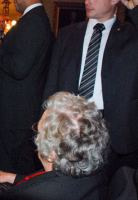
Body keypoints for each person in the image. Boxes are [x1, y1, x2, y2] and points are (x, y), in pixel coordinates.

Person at [42, 0, 138, 180]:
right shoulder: (67, 34)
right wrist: (46, 121)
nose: (87, 1)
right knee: (70, 186)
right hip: (71, 124)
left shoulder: (131, 35)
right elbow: (52, 81)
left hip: (116, 130)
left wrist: (135, 7)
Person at [0, 92, 109, 200]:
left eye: (38, 129)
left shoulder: (29, 196)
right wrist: (10, 177)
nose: (36, 134)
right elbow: (48, 178)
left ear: (51, 154)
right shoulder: (96, 175)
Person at [0, 0, 53, 174]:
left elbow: (18, 67)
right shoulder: (33, 18)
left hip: (15, 113)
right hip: (17, 111)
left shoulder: (33, 21)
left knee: (9, 170)